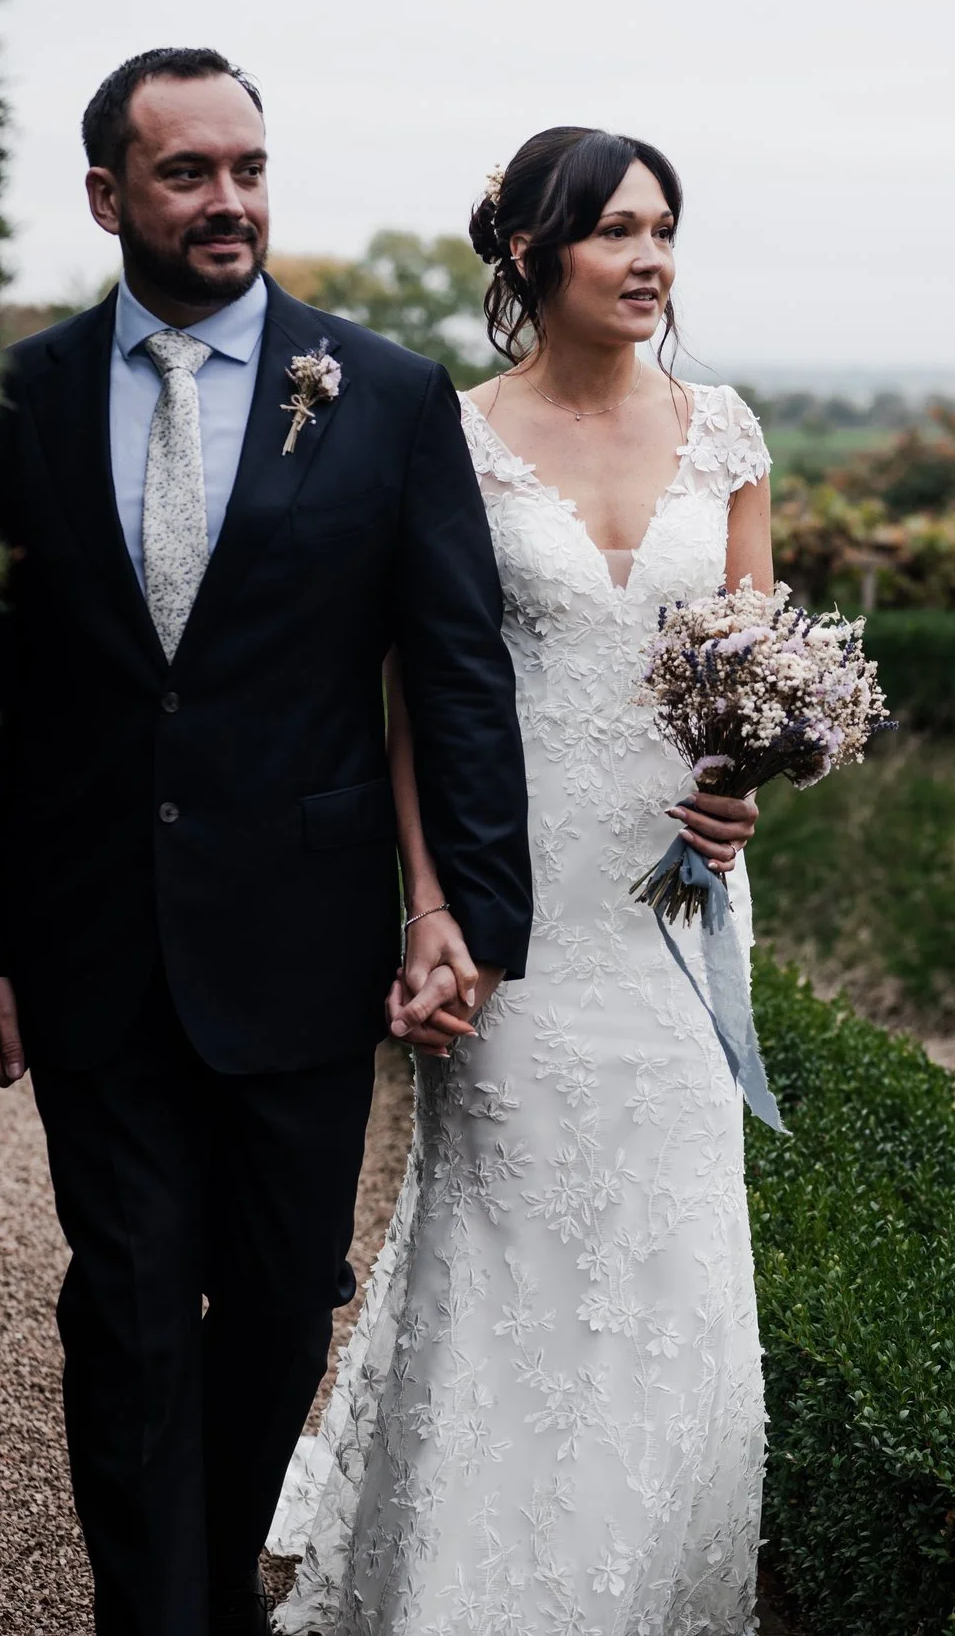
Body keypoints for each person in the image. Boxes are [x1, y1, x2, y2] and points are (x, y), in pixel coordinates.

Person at [0, 49, 534, 1636]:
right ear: (107, 196)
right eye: (190, 173)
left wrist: (468, 912)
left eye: (249, 169)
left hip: (304, 935)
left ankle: (215, 1582)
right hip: (90, 938)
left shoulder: (386, 394)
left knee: (279, 1312)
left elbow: (455, 661)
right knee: (130, 1309)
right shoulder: (20, 401)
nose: (230, 202)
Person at [272, 127, 773, 1636]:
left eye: (666, 230)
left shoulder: (732, 434)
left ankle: (644, 1586)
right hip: (514, 895)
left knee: (676, 1256)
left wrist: (751, 799)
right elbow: (414, 695)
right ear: (529, 255)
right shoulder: (453, 434)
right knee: (507, 1232)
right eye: (617, 230)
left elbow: (762, 682)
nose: (650, 259)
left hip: (680, 905)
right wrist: (430, 903)